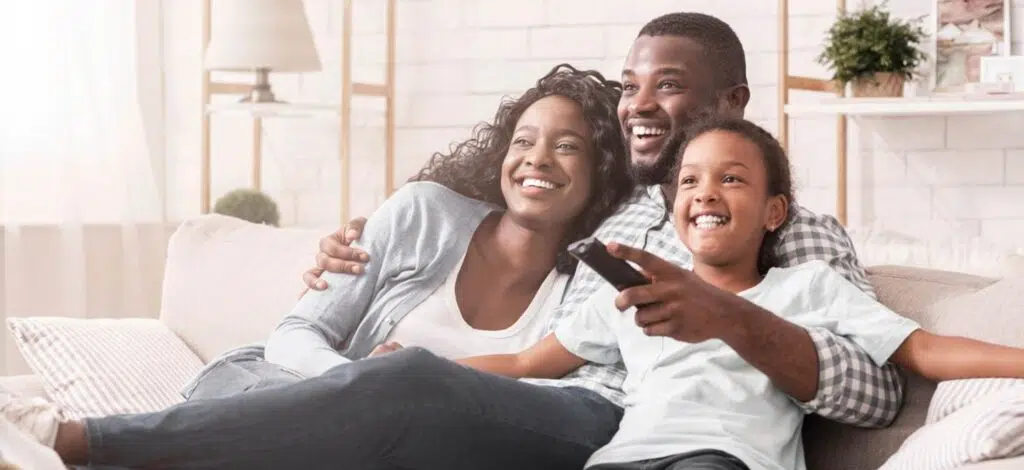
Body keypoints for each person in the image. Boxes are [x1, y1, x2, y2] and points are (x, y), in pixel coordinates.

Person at [0, 13, 907, 470]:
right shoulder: (603, 206)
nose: (637, 105)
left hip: (612, 419)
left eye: (667, 87)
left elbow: (872, 387)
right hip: (501, 397)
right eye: (631, 87)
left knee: (403, 382)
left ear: (733, 106)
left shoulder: (792, 231)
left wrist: (724, 315)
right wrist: (339, 251)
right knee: (244, 372)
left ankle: (77, 440)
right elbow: (505, 201)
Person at [455, 116, 1024, 470]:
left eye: (731, 179)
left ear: (774, 212)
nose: (705, 193)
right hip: (620, 459)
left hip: (726, 459)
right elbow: (528, 360)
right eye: (689, 181)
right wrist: (423, 360)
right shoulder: (633, 295)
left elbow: (922, 350)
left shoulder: (807, 288)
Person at [171, 63, 634, 402]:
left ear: (603, 173)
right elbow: (296, 332)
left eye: (567, 146)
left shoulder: (577, 295)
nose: (537, 159)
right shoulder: (425, 213)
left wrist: (401, 389)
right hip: (279, 387)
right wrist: (362, 380)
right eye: (524, 141)